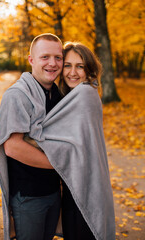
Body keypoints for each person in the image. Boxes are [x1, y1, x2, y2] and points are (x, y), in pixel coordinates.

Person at [37, 42, 116, 240]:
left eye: (80, 66)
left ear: (89, 70)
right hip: (76, 185)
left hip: (85, 187)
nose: (73, 72)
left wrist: (32, 136)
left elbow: (62, 141)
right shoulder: (76, 95)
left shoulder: (85, 94)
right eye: (68, 65)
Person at [0, 33, 63, 240]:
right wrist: (63, 163)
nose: (52, 63)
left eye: (58, 57)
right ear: (31, 60)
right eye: (45, 57)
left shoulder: (56, 94)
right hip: (29, 196)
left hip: (52, 191)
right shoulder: (18, 95)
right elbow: (13, 147)